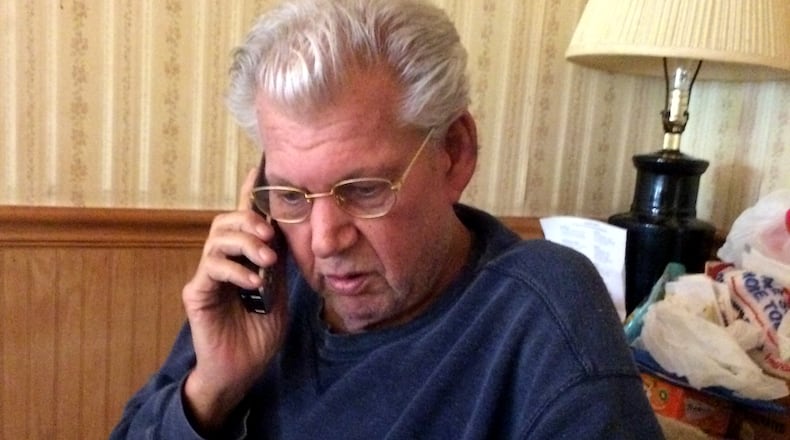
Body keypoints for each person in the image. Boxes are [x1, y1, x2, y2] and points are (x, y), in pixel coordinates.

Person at [110, 0, 664, 438]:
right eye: (292, 195)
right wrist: (211, 389)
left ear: (454, 152)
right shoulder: (262, 287)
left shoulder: (541, 313)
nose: (324, 242)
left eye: (364, 189)